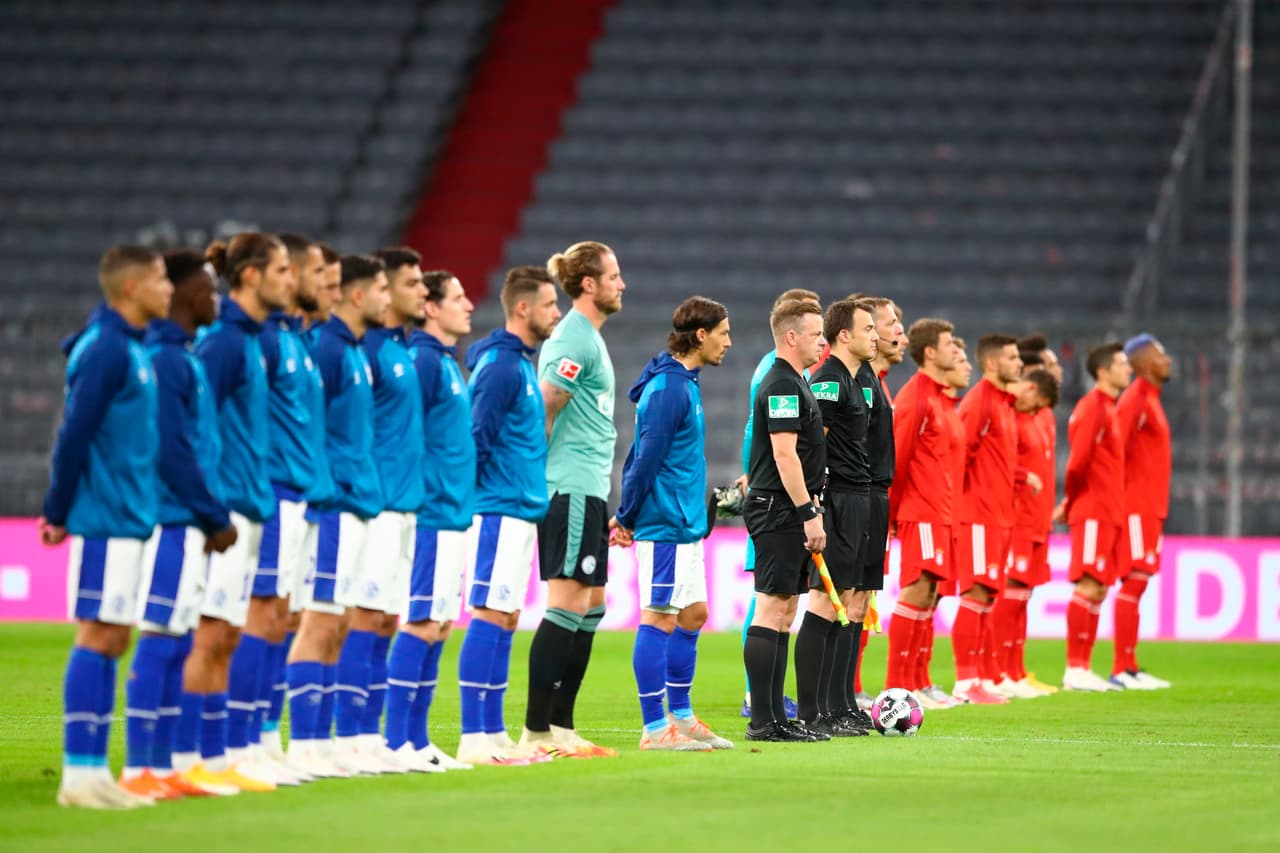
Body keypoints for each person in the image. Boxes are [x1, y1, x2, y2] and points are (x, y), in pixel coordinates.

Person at [42, 246, 171, 809]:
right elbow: (75, 432)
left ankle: (95, 771)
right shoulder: (106, 349)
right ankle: (79, 773)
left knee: (116, 636)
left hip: (132, 514)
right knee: (97, 633)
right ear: (131, 288)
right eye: (160, 280)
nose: (168, 289)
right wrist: (58, 508)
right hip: (103, 513)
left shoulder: (134, 348)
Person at [120, 250, 239, 801]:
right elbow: (170, 446)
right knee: (162, 638)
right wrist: (211, 513)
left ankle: (165, 765)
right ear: (191, 295)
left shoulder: (183, 356)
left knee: (178, 638)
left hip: (189, 520)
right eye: (211, 290)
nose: (217, 299)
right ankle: (139, 767)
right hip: (170, 518)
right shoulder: (166, 360)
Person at [185, 233, 292, 792]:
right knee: (211, 633)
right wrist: (208, 504)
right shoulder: (224, 343)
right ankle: (186, 759)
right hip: (226, 505)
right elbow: (193, 422)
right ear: (249, 276)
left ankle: (220, 753)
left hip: (251, 503)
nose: (290, 280)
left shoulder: (249, 340)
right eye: (280, 270)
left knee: (227, 635)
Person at [611, 296, 734, 751]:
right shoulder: (668, 389)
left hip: (685, 522)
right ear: (700, 335)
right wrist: (627, 515)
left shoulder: (685, 383)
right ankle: (653, 729)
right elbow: (644, 459)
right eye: (723, 333)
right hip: (664, 522)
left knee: (693, 614)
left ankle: (681, 717)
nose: (728, 342)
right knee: (659, 618)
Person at [285, 255, 391, 774]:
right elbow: (307, 427)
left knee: (340, 621)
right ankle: (303, 743)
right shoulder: (326, 347)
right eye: (383, 290)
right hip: (331, 503)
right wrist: (324, 487)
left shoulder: (348, 350)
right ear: (356, 295)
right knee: (318, 622)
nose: (388, 298)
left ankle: (323, 742)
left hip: (354, 502)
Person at [521, 241, 624, 758]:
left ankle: (561, 727)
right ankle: (537, 731)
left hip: (588, 488)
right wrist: (533, 480)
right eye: (613, 275)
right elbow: (545, 403)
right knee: (566, 604)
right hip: (569, 486)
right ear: (589, 284)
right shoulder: (572, 339)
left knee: (592, 605)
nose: (621, 284)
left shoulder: (589, 337)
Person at [456, 266, 562, 765]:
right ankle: (475, 735)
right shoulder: (500, 366)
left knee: (507, 615)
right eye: (549, 305)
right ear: (523, 308)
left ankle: (494, 733)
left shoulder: (519, 364)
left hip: (519, 508)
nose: (556, 315)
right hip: (497, 508)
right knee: (489, 613)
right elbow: (474, 438)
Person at [334, 246, 432, 773]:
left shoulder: (400, 349)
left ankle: (368, 736)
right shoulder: (367, 349)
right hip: (374, 506)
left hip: (403, 503)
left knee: (387, 619)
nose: (423, 292)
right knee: (363, 617)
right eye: (412, 283)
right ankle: (346, 734)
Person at [385, 269, 476, 771]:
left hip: (453, 513)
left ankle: (416, 742)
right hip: (431, 513)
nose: (467, 305)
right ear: (430, 308)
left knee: (438, 626)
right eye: (457, 298)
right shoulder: (421, 361)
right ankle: (397, 740)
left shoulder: (443, 363)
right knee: (421, 622)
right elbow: (404, 436)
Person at [257, 233, 333, 763]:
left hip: (303, 496)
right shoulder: (259, 341)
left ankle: (266, 739)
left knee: (284, 617)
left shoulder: (298, 343)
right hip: (265, 497)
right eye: (315, 277)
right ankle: (245, 741)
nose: (324, 287)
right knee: (255, 620)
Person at [742, 299, 831, 743]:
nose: (824, 342)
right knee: (772, 607)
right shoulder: (781, 382)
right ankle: (763, 720)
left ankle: (777, 717)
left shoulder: (797, 381)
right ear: (792, 337)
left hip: (786, 506)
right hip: (779, 507)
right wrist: (807, 512)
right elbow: (783, 453)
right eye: (817, 334)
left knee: (786, 610)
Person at [795, 299, 879, 735]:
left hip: (858, 496)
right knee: (826, 601)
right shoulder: (828, 378)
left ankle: (834, 706)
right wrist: (817, 501)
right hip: (839, 498)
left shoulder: (851, 377)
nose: (876, 335)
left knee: (844, 600)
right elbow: (815, 441)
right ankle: (812, 711)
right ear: (843, 335)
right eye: (868, 328)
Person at [952, 334, 1030, 702]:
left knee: (987, 596)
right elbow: (958, 455)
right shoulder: (981, 402)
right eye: (1014, 357)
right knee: (976, 592)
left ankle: (981, 675)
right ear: (993, 363)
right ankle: (966, 680)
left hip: (999, 516)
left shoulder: (1004, 403)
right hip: (978, 515)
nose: (1020, 364)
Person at [885, 319, 960, 698]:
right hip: (921, 509)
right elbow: (899, 458)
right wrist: (894, 513)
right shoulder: (916, 396)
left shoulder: (938, 397)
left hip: (940, 511)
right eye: (949, 344)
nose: (955, 350)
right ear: (930, 352)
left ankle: (916, 683)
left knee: (929, 594)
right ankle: (898, 686)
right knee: (915, 591)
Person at [1056, 342, 1132, 691]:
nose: (1127, 368)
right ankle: (1074, 668)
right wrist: (1072, 502)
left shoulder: (1110, 409)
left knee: (1099, 588)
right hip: (1092, 510)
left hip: (1110, 512)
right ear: (1103, 370)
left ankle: (1084, 667)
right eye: (1121, 363)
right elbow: (1077, 463)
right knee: (1088, 584)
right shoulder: (1092, 408)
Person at [848, 296, 904, 712]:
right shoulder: (852, 381)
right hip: (853, 503)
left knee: (864, 597)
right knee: (845, 597)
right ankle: (841, 690)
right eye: (888, 323)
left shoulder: (879, 383)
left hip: (875, 503)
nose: (899, 331)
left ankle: (851, 686)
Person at [1111, 334, 1174, 689]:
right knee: (1133, 581)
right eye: (1161, 353)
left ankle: (1131, 666)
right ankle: (1121, 668)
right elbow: (1115, 449)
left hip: (1151, 507)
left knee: (1141, 581)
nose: (1168, 360)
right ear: (1143, 363)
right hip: (1135, 506)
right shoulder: (1135, 399)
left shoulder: (1151, 400)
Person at [998, 367, 1060, 696]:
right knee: (1009, 595)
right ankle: (998, 671)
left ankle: (1014, 670)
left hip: (1036, 519)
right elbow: (999, 463)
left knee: (1022, 595)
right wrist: (1023, 477)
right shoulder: (1013, 416)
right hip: (1016, 517)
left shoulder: (1036, 418)